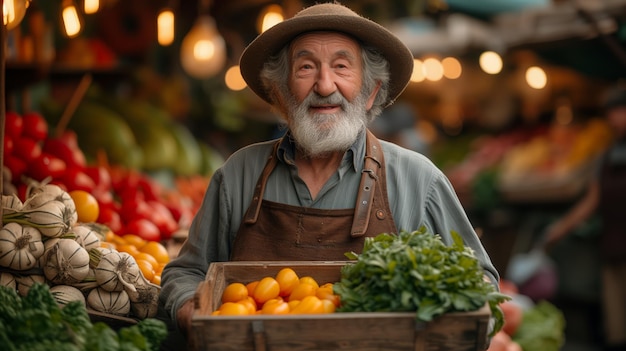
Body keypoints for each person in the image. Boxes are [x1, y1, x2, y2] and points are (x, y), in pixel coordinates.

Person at [158, 2, 500, 349]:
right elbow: (185, 273)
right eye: (306, 67)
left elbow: (481, 284)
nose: (324, 85)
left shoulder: (418, 180)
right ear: (281, 92)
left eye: (341, 66)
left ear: (370, 92)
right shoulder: (238, 174)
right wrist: (191, 312)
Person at [543, 84, 626, 351]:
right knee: (617, 323)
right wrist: (560, 228)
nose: (615, 119)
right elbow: (593, 199)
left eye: (620, 111)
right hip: (613, 248)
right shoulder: (608, 153)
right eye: (611, 112)